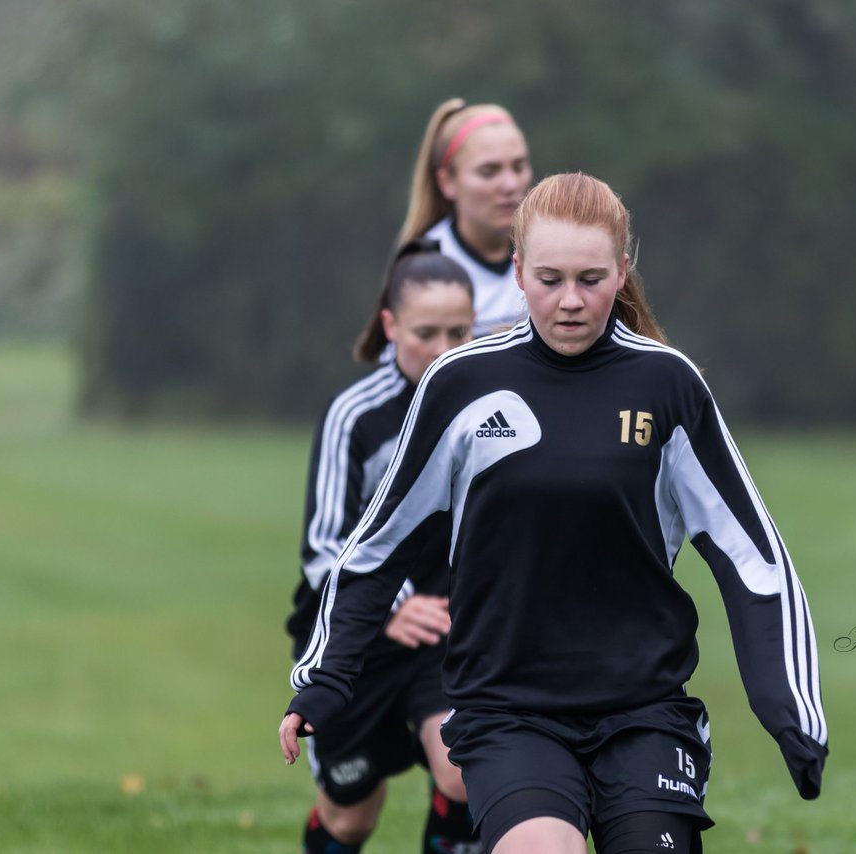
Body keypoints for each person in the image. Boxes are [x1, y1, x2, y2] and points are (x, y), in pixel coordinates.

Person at [281, 173, 828, 854]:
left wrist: (789, 709)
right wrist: (325, 681)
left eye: (592, 278)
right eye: (549, 278)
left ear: (624, 270)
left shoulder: (669, 386)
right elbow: (373, 549)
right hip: (509, 710)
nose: (570, 301)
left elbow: (755, 561)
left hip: (645, 712)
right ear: (516, 271)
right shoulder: (462, 385)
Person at [287, 241, 481, 854]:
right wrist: (395, 606)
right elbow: (322, 546)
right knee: (352, 817)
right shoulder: (355, 416)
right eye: (427, 333)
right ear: (391, 326)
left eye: (460, 332)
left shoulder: (488, 409)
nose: (445, 349)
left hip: (443, 630)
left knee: (464, 772)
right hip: (360, 640)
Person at [396, 97, 533, 337]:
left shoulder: (549, 252)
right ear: (447, 182)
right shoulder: (423, 263)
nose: (510, 184)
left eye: (519, 167)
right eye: (488, 171)